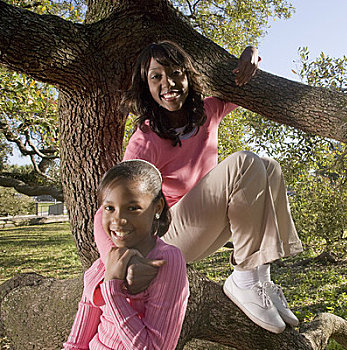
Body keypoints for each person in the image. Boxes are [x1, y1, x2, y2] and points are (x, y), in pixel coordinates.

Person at [93, 40, 303, 334]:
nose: (168, 83)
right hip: (168, 238)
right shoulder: (145, 139)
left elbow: (245, 83)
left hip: (206, 230)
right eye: (156, 77)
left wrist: (252, 53)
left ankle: (259, 279)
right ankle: (242, 279)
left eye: (176, 73)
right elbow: (109, 207)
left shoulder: (207, 111)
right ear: (146, 86)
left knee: (269, 167)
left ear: (188, 76)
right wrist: (115, 263)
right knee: (244, 162)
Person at [64, 160, 189, 349]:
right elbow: (77, 341)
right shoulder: (104, 261)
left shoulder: (166, 260)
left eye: (133, 208)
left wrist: (113, 288)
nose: (119, 220)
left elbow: (154, 347)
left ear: (157, 207)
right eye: (109, 208)